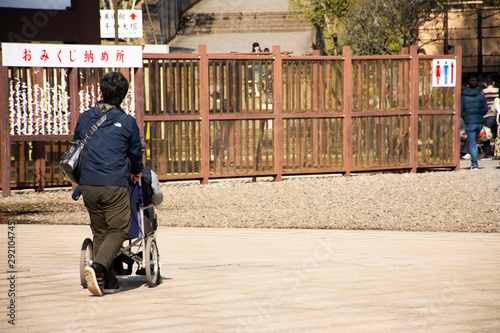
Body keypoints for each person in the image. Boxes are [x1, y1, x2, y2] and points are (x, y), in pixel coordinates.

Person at [75, 71, 143, 296]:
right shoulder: (127, 122)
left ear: (100, 92)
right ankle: (96, 267)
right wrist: (136, 173)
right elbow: (135, 155)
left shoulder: (85, 118)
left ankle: (108, 279)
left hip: (88, 185)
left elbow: (77, 146)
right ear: (123, 96)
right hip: (113, 183)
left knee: (101, 230)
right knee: (118, 229)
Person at [461, 77, 488, 170]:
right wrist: (480, 115)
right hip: (478, 122)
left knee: (472, 143)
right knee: (475, 142)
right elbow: (485, 109)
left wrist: (465, 117)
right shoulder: (481, 96)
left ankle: (474, 164)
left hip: (469, 121)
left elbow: (461, 110)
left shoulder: (463, 96)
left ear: (468, 86)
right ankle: (474, 162)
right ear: (477, 86)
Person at [481, 77, 499, 160]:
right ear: (493, 83)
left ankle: (488, 154)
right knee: (497, 135)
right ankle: (496, 152)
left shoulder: (483, 92)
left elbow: (482, 104)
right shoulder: (497, 91)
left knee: (487, 135)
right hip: (497, 115)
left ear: (485, 84)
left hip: (487, 115)